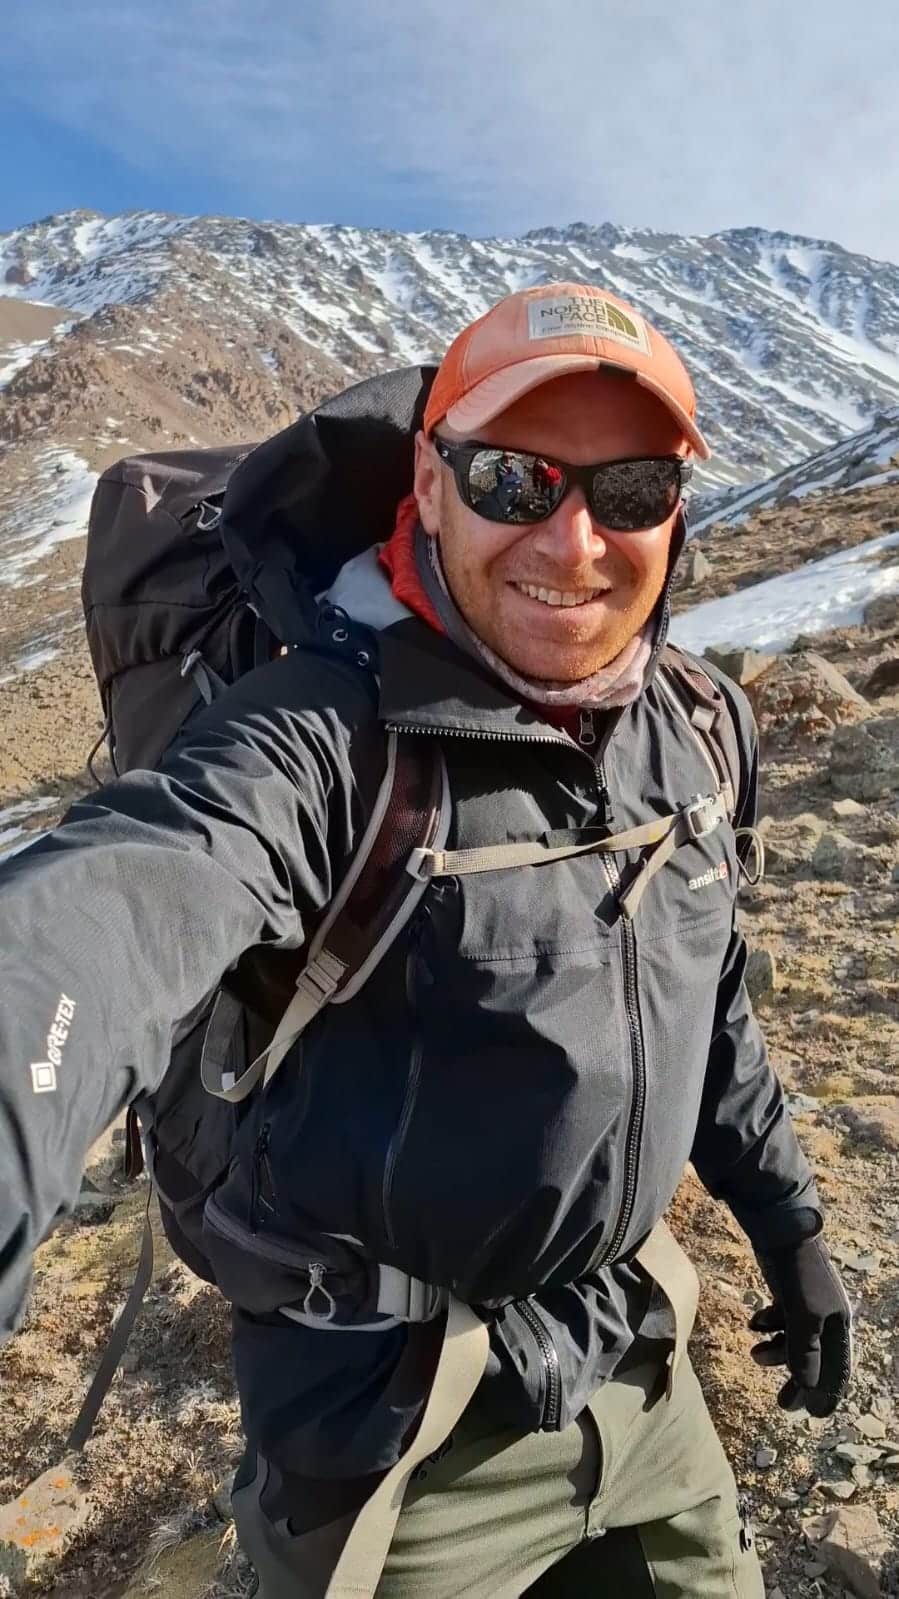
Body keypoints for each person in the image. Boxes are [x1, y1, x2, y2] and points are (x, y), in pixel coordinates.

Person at [0, 282, 852, 1598]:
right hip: (395, 1434)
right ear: (432, 488)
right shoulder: (321, 740)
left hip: (641, 1364)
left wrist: (787, 1225)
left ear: (676, 515)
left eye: (631, 490)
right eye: (516, 478)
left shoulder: (691, 729)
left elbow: (711, 991)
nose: (575, 541)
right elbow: (106, 911)